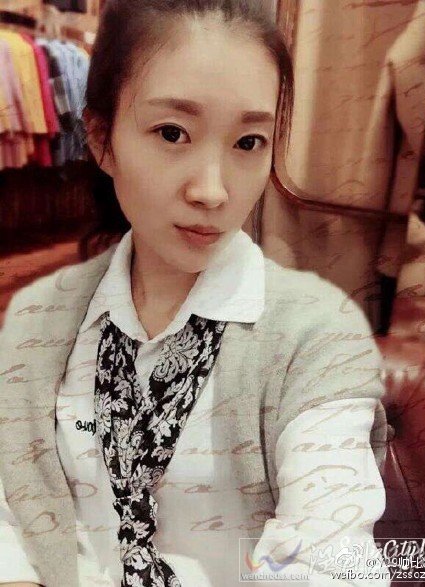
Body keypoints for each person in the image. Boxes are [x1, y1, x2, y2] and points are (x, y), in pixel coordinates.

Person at [0, 1, 391, 586]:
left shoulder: (316, 336)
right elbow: (10, 499)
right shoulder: (39, 320)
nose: (213, 191)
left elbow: (332, 554)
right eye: (172, 133)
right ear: (102, 139)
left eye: (249, 142)